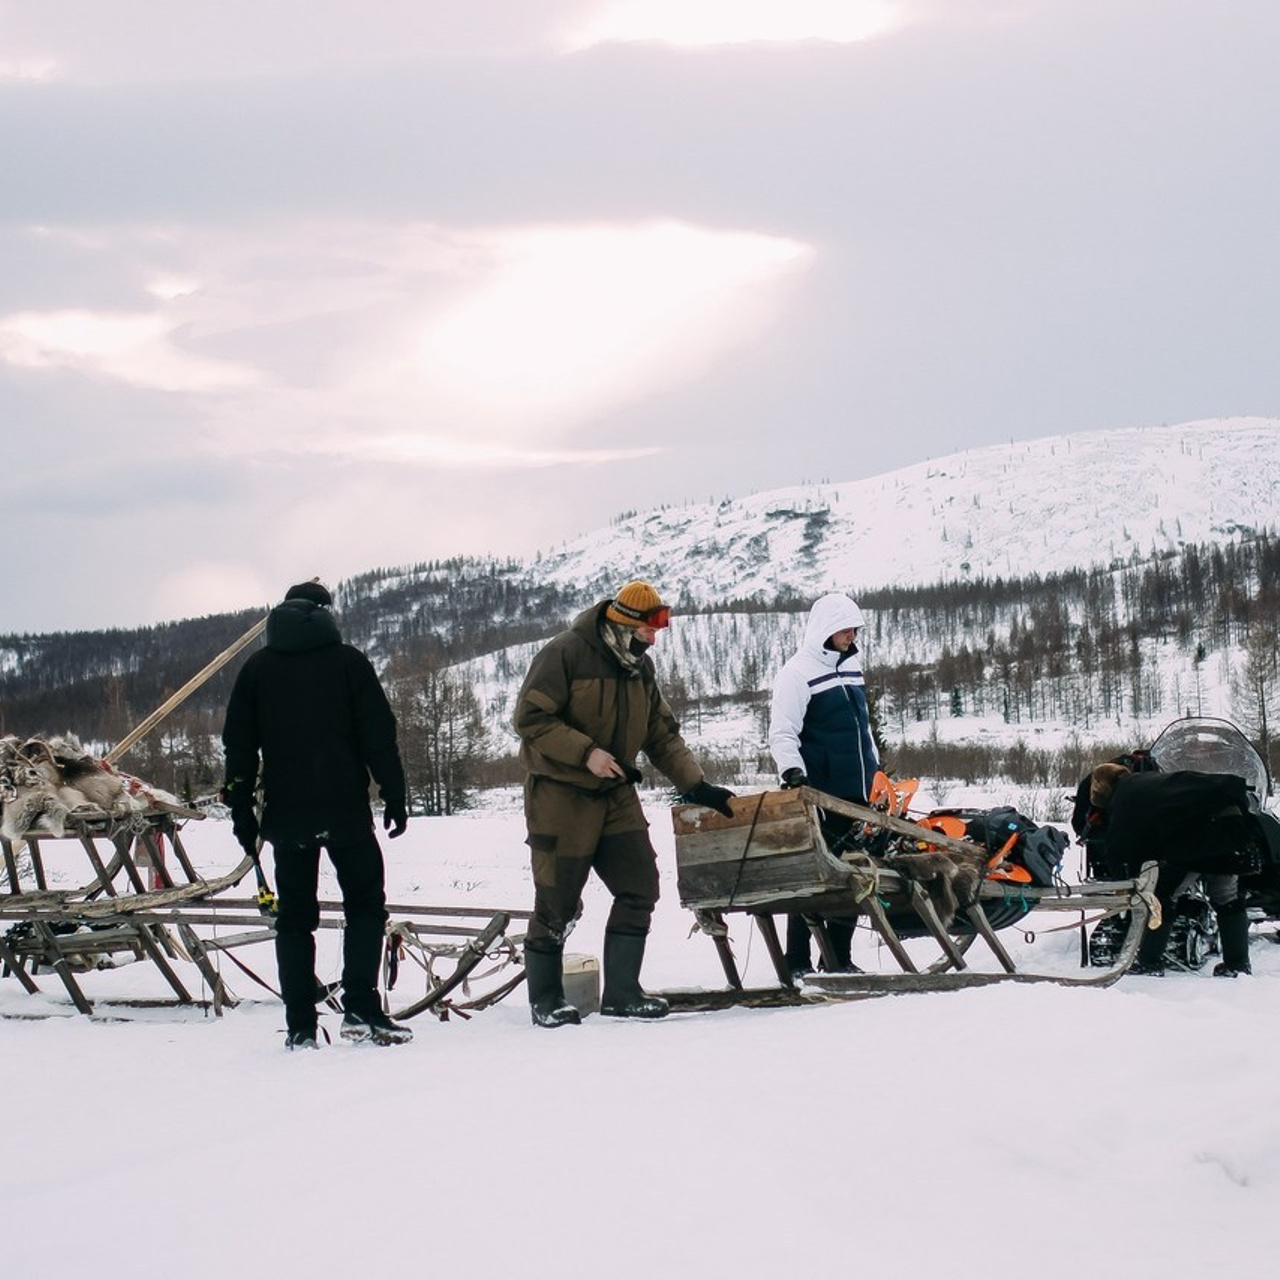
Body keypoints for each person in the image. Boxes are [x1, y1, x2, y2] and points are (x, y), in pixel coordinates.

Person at [513, 580, 736, 1028]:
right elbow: (530, 718)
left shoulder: (640, 669)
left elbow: (661, 734)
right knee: (556, 900)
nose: (654, 639)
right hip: (561, 795)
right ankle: (547, 998)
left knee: (640, 885)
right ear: (625, 623)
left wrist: (697, 786)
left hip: (616, 796)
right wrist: (586, 753)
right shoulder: (566, 653)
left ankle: (622, 993)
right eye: (648, 630)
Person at [222, 581, 412, 1049]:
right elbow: (378, 736)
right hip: (345, 810)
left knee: (293, 920)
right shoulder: (349, 663)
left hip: (288, 817)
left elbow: (239, 749)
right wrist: (395, 793)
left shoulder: (257, 669)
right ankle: (362, 1011)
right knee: (365, 907)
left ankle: (300, 1026)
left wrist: (241, 811)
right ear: (326, 612)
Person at [768, 592, 879, 977]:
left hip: (858, 792)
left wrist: (876, 771)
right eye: (845, 629)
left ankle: (838, 958)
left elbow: (861, 730)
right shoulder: (797, 674)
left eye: (854, 629)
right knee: (813, 877)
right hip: (820, 791)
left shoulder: (852, 669)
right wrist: (793, 774)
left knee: (853, 873)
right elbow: (783, 732)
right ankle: (797, 960)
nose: (851, 636)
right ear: (825, 630)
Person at [1088, 762, 1262, 978]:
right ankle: (1238, 964)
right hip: (1231, 824)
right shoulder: (1145, 782)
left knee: (1162, 895)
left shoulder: (1124, 797)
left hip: (1199, 836)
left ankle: (1150, 962)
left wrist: (1122, 879)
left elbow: (1120, 845)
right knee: (1227, 897)